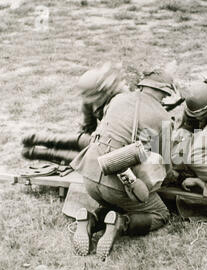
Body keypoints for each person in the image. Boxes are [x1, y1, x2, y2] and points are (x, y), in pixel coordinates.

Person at [70, 68, 178, 259]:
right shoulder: (164, 118)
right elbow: (165, 164)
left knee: (117, 202)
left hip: (89, 174)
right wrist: (173, 176)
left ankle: (90, 220)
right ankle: (121, 223)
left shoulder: (118, 99)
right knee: (160, 213)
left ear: (144, 86)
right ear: (164, 92)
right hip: (117, 181)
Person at [21, 62, 128, 164]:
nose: (90, 102)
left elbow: (115, 140)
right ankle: (40, 139)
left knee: (98, 161)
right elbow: (87, 129)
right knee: (86, 143)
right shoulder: (91, 99)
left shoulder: (123, 100)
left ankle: (45, 153)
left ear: (105, 92)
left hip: (121, 145)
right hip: (101, 140)